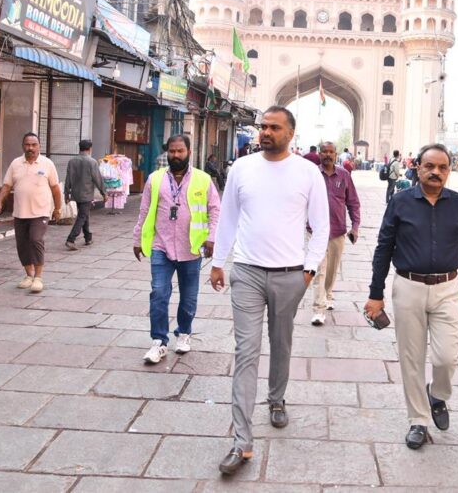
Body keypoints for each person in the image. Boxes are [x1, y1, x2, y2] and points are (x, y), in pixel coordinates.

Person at [210, 106, 329, 474]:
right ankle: (241, 442)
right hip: (246, 272)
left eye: (274, 127)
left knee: (281, 342)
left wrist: (308, 272)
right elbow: (228, 216)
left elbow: (321, 226)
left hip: (290, 275)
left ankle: (276, 399)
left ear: (291, 133)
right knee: (246, 351)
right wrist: (218, 261)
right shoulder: (241, 168)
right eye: (263, 126)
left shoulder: (308, 173)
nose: (265, 132)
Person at [367, 144, 458, 449]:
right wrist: (375, 294)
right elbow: (383, 248)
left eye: (443, 167)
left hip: (447, 290)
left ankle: (438, 395)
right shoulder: (401, 202)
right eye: (430, 166)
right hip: (408, 288)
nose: (436, 172)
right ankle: (418, 419)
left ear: (449, 171)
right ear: (418, 167)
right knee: (411, 358)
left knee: (446, 356)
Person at [133, 135, 221, 360]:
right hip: (160, 246)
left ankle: (183, 333)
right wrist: (137, 239)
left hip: (191, 248)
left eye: (180, 151)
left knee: (189, 296)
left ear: (189, 152)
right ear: (167, 153)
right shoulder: (155, 179)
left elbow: (215, 210)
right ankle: (159, 341)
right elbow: (144, 211)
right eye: (172, 151)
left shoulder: (203, 179)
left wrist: (211, 237)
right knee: (159, 293)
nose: (176, 155)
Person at [0, 132, 62, 293]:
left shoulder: (47, 164)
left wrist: (58, 209)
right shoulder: (16, 164)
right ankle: (29, 275)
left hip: (41, 212)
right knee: (22, 244)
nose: (30, 148)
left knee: (35, 239)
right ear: (23, 146)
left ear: (39, 146)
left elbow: (55, 189)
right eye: (27, 145)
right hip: (20, 212)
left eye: (34, 145)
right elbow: (7, 185)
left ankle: (38, 277)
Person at [311, 141, 361, 326]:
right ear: (320, 153)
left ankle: (328, 294)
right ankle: (318, 309)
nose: (327, 155)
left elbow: (353, 203)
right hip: (315, 231)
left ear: (336, 154)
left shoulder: (344, 175)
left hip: (338, 231)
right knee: (318, 270)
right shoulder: (313, 174)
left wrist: (355, 226)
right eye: (324, 151)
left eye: (331, 152)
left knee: (331, 270)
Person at [64, 139, 106, 251]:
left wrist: (66, 193)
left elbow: (68, 178)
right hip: (86, 193)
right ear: (90, 149)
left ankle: (88, 237)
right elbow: (97, 179)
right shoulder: (92, 162)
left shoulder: (72, 161)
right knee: (82, 216)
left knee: (84, 215)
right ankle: (71, 239)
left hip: (76, 193)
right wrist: (104, 193)